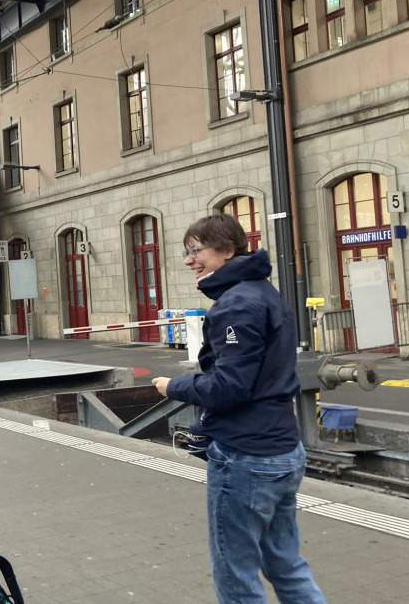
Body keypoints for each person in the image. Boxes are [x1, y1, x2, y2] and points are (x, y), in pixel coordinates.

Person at [152, 214, 327, 604]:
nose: (188, 260)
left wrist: (173, 386)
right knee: (286, 564)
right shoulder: (264, 292)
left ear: (227, 250)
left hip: (246, 456)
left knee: (236, 575)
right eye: (187, 252)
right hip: (284, 449)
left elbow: (229, 387)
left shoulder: (236, 305)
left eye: (195, 250)